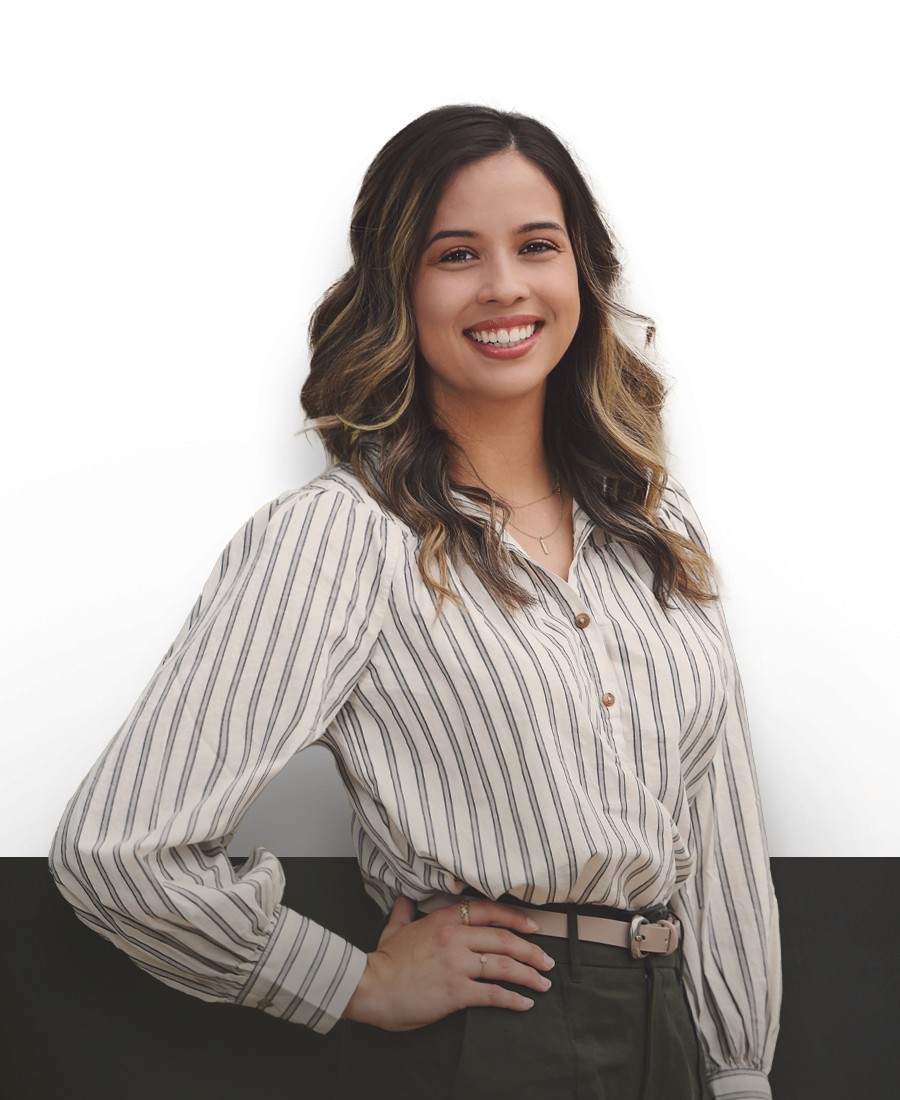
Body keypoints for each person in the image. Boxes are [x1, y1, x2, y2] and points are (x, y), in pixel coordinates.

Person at [49, 105, 781, 1099]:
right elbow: (115, 846)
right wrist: (349, 979)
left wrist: (739, 1071)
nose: (505, 286)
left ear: (583, 274)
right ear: (400, 288)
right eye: (455, 254)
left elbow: (721, 834)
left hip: (670, 1044)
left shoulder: (661, 530)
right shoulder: (341, 537)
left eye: (536, 245)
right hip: (482, 1044)